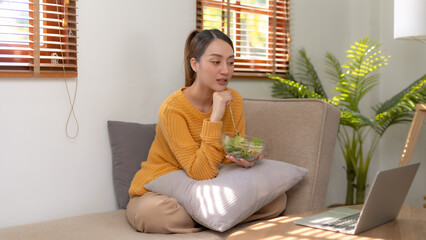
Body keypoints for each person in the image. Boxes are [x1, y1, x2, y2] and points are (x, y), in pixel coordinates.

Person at [126, 29, 287, 234]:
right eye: (216, 62)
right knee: (156, 215)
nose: (226, 71)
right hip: (161, 191)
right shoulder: (173, 109)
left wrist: (244, 160)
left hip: (206, 189)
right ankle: (214, 217)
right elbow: (200, 172)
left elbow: (225, 160)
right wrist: (215, 117)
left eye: (230, 62)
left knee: (276, 199)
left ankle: (205, 217)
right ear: (195, 64)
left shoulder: (234, 100)